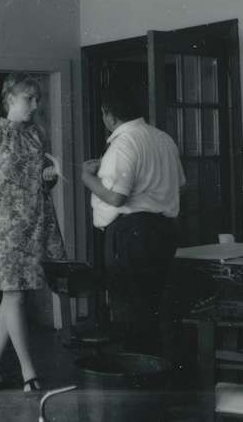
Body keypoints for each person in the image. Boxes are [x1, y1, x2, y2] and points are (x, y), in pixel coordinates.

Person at [0, 72, 67, 393]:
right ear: (10, 99)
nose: (35, 104)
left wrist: (51, 177)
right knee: (14, 295)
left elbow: (41, 183)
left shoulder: (37, 134)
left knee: (15, 296)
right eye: (30, 98)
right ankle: (30, 373)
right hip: (4, 225)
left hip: (35, 221)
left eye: (37, 99)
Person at [81, 85, 185, 355]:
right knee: (156, 304)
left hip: (130, 233)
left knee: (129, 308)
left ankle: (136, 374)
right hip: (163, 230)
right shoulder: (164, 138)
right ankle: (155, 369)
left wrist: (87, 177)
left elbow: (117, 198)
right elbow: (180, 184)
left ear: (108, 114)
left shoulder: (124, 142)